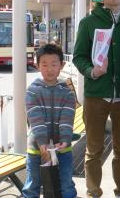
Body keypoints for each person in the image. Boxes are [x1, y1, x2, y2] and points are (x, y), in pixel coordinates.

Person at [72, 0, 120, 198]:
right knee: (93, 149)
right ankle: (93, 192)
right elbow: (78, 56)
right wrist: (92, 71)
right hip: (95, 95)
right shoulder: (88, 22)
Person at [22, 44, 77, 198]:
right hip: (36, 148)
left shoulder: (67, 92)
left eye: (54, 64)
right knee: (33, 184)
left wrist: (66, 139)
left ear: (62, 65)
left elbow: (67, 117)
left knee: (66, 184)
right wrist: (41, 143)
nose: (49, 69)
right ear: (37, 65)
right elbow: (35, 118)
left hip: (62, 148)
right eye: (44, 64)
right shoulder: (33, 91)